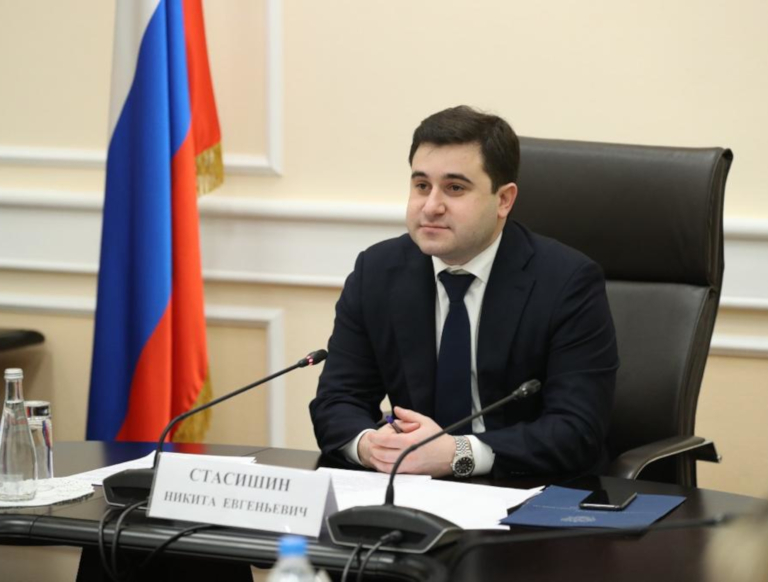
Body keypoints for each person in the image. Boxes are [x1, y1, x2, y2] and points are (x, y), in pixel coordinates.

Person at [309, 106, 618, 478]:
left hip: (528, 489)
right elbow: (337, 400)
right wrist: (370, 446)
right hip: (409, 486)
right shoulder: (377, 271)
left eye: (454, 188)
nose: (431, 206)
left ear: (504, 200)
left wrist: (457, 454)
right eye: (421, 186)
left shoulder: (567, 282)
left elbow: (577, 431)